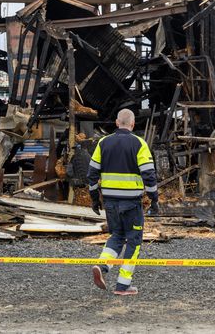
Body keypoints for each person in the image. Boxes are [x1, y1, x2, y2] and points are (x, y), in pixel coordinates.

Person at [87, 108, 159, 296]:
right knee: (134, 242)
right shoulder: (139, 144)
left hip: (110, 203)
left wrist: (95, 199)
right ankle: (123, 285)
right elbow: (149, 175)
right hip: (131, 204)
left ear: (117, 123)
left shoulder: (103, 143)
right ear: (133, 124)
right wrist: (154, 199)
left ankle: (102, 267)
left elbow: (92, 174)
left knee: (116, 236)